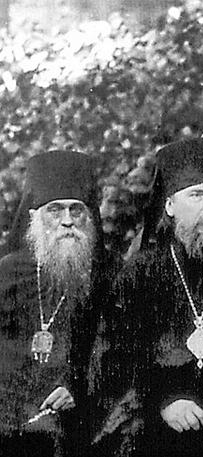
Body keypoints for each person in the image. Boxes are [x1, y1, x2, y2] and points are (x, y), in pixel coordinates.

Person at [112, 138, 203, 457]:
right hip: (158, 428)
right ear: (169, 205)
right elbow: (119, 355)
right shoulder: (141, 271)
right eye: (196, 194)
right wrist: (163, 402)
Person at [0, 151, 110, 457]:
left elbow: (116, 350)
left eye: (77, 211)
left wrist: (78, 387)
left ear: (89, 217)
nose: (66, 222)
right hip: (11, 411)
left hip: (83, 413)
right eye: (55, 210)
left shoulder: (108, 274)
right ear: (35, 216)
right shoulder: (7, 273)